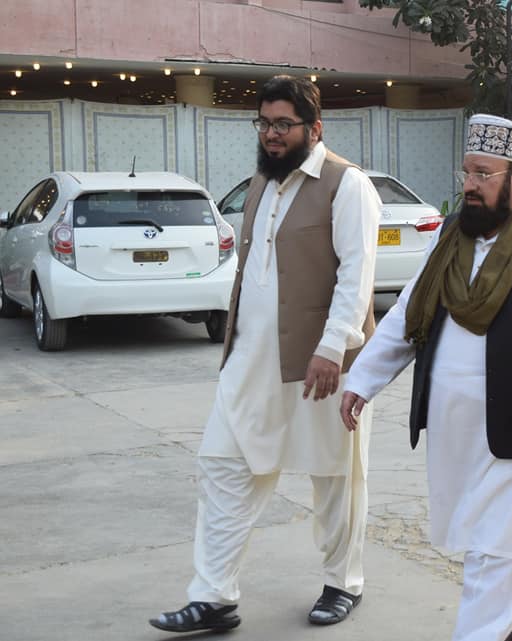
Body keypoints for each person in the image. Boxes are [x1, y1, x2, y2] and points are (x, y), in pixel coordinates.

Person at [340, 114, 512, 641]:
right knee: (492, 541)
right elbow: (408, 314)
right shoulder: (450, 237)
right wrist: (362, 379)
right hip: (456, 430)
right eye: (467, 172)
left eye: (484, 174)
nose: (469, 185)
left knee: (495, 552)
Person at [150, 75, 381, 633]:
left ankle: (343, 583)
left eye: (284, 125)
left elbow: (357, 274)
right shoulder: (261, 181)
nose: (272, 135)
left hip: (323, 363)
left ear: (314, 128)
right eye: (264, 123)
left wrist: (333, 347)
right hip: (250, 359)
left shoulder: (347, 185)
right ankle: (213, 597)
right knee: (222, 466)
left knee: (335, 476)